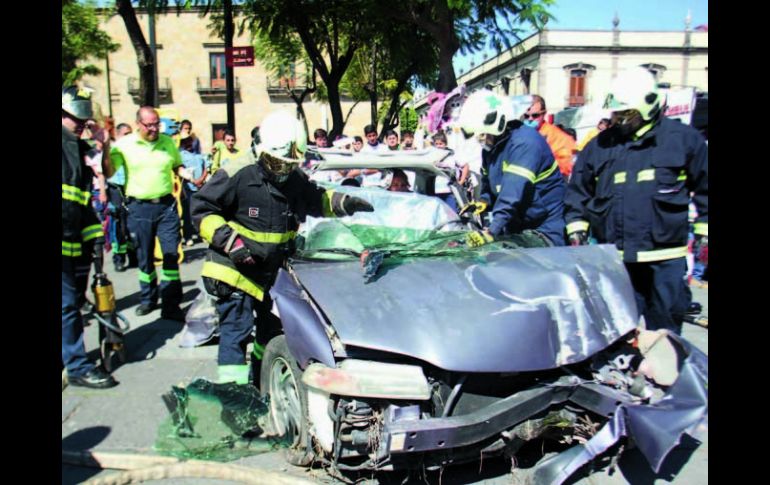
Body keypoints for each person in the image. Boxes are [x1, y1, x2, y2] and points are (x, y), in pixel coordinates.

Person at [191, 110, 374, 384]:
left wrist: (346, 203)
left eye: (287, 165)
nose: (282, 171)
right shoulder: (237, 172)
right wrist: (231, 243)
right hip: (233, 271)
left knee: (270, 332)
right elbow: (202, 209)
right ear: (261, 150)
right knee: (236, 334)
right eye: (276, 164)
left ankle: (258, 384)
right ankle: (234, 407)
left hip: (268, 274)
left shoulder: (292, 175)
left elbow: (316, 198)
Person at [564, 67, 708, 335]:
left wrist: (704, 231)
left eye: (626, 114)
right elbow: (578, 191)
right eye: (616, 113)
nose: (619, 119)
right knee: (618, 331)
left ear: (648, 106)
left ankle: (666, 374)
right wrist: (576, 227)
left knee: (664, 332)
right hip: (617, 259)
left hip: (664, 258)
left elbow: (706, 188)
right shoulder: (600, 146)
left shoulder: (682, 140)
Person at [103, 106, 186, 321]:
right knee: (144, 258)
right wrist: (104, 147)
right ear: (138, 124)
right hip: (139, 208)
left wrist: (190, 176)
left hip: (166, 206)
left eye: (156, 124)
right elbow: (109, 171)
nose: (153, 129)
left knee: (170, 254)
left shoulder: (167, 142)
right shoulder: (125, 145)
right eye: (149, 125)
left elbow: (178, 165)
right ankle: (148, 299)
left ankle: (171, 304)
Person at [61, 86, 118, 389]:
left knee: (71, 303)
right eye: (75, 119)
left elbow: (104, 170)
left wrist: (103, 142)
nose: (81, 124)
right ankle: (78, 366)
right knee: (68, 304)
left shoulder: (78, 145)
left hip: (77, 239)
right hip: (65, 240)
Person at [458, 90, 566, 247]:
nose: (481, 140)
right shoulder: (492, 148)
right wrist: (484, 201)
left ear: (498, 125)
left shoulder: (525, 144)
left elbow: (512, 193)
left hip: (545, 229)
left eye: (483, 134)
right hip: (517, 225)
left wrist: (491, 231)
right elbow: (489, 182)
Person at [105, 123, 136, 272]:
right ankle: (119, 258)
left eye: (130, 133)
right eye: (125, 134)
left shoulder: (135, 149)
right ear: (117, 135)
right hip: (116, 189)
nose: (129, 137)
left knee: (131, 225)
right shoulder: (113, 150)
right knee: (119, 227)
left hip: (131, 189)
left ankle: (133, 256)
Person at [523, 95, 578, 178]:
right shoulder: (519, 132)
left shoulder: (558, 136)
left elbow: (569, 163)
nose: (530, 119)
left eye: (535, 115)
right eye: (526, 116)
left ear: (544, 113)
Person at [178, 134, 209, 246]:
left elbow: (207, 167)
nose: (189, 144)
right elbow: (180, 171)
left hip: (201, 187)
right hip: (188, 188)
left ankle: (202, 234)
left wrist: (201, 179)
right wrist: (193, 181)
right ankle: (188, 236)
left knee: (201, 212)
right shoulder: (181, 155)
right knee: (188, 214)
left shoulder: (199, 154)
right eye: (186, 141)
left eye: (190, 141)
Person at [432, 131, 469, 212]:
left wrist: (460, 182)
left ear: (445, 144)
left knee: (451, 213)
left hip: (450, 190)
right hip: (434, 191)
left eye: (441, 143)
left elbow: (465, 166)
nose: (439, 146)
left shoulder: (452, 155)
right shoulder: (431, 155)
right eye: (436, 144)